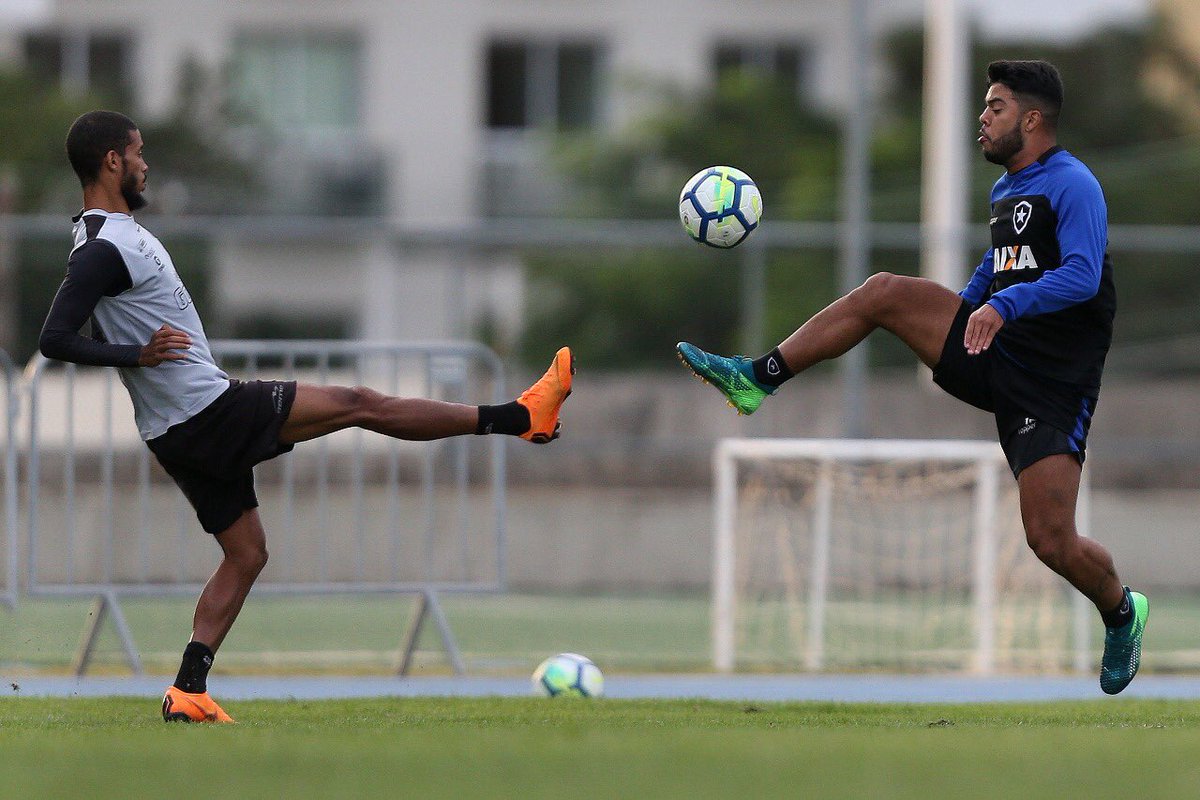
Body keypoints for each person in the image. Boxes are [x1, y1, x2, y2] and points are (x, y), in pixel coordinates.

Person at [40, 110, 575, 723]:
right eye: (138, 153)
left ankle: (188, 690)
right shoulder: (103, 247)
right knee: (358, 404)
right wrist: (137, 353)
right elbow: (54, 338)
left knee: (246, 554)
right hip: (208, 411)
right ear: (112, 160)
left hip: (176, 428)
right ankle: (517, 416)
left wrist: (139, 356)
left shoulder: (102, 237)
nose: (145, 164)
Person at [677, 60, 1147, 694]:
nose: (982, 117)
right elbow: (999, 264)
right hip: (993, 353)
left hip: (1052, 388)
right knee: (885, 293)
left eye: (996, 107)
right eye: (984, 106)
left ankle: (1122, 611)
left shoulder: (1074, 184)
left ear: (1033, 119)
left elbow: (1083, 276)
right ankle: (757, 376)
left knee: (1050, 541)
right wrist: (965, 306)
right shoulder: (1007, 189)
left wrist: (999, 306)